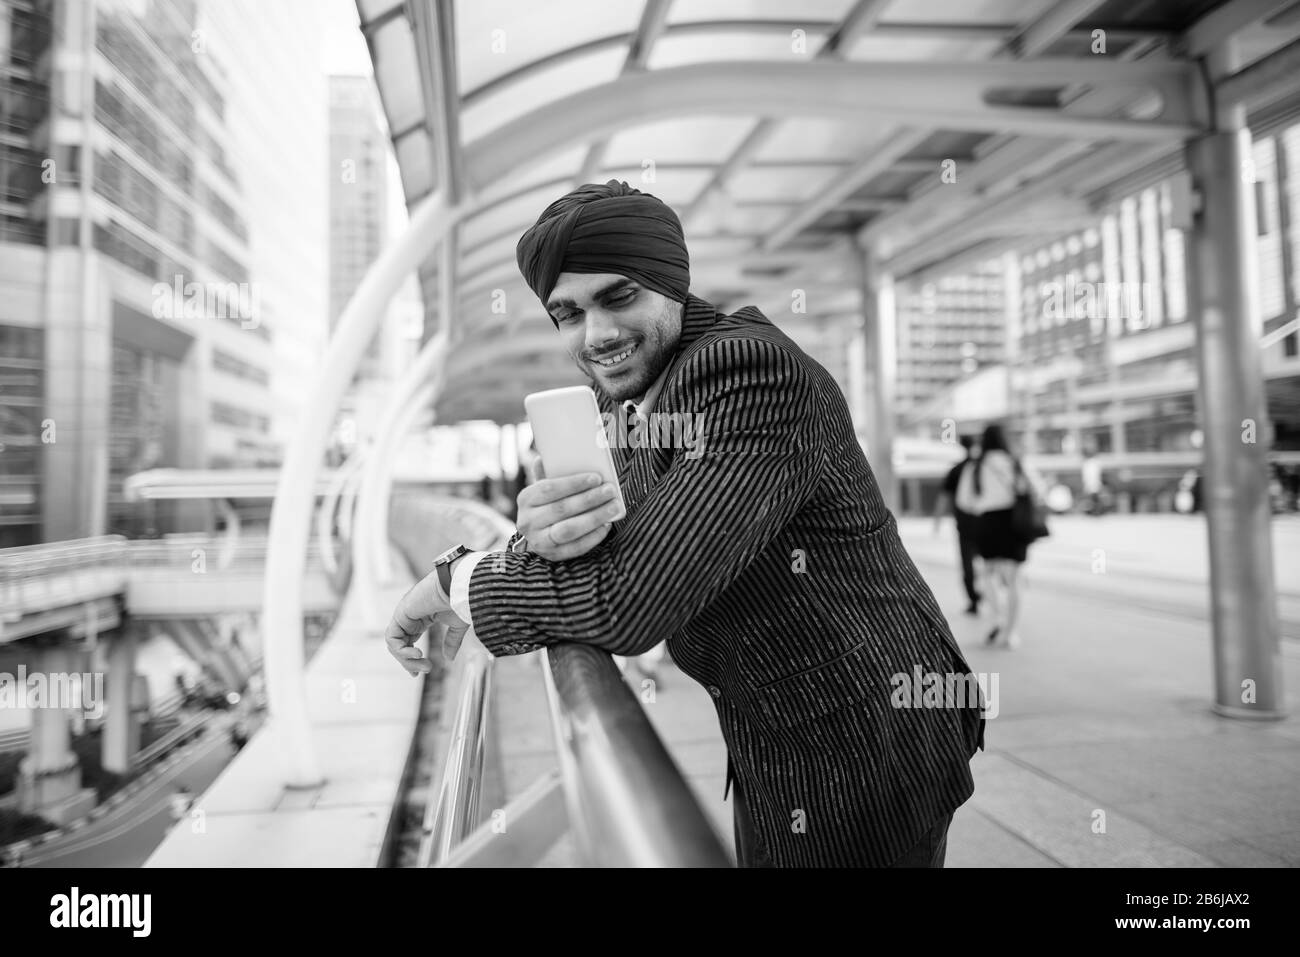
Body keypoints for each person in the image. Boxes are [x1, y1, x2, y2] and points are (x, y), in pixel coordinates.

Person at [385, 180, 984, 868]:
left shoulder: (747, 373)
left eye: (619, 296)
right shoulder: (632, 394)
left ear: (673, 283)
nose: (598, 334)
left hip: (864, 736)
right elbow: (613, 539)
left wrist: (450, 582)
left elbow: (629, 601)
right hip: (783, 725)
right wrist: (539, 534)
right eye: (569, 313)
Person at [955, 424, 1044, 650]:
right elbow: (1038, 490)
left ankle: (998, 620)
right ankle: (1011, 633)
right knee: (1015, 578)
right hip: (1015, 523)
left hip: (988, 522)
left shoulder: (976, 466)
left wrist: (984, 503)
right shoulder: (1016, 462)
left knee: (989, 573)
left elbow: (964, 501)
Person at [932, 435, 981, 615]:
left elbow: (944, 497)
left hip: (965, 524)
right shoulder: (983, 467)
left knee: (967, 561)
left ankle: (973, 599)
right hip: (985, 522)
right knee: (986, 560)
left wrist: (936, 522)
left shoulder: (956, 470)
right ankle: (985, 591)